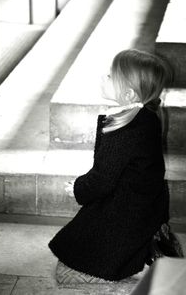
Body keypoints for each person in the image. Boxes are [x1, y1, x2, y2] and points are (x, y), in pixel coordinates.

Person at [48, 49, 183, 284]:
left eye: (110, 76)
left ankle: (145, 254)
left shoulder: (125, 131)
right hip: (142, 198)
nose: (104, 77)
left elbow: (102, 178)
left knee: (83, 247)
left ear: (129, 94)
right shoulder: (142, 115)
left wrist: (77, 188)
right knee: (84, 233)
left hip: (131, 206)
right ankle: (147, 247)